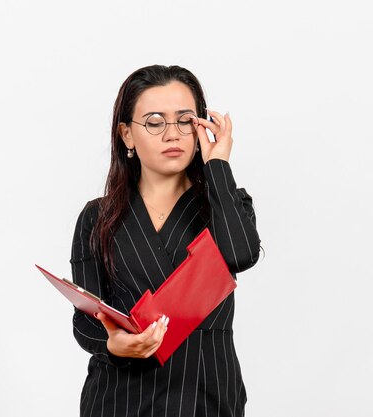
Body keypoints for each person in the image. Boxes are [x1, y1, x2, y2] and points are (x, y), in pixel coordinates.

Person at [70, 64, 261, 417]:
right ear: (127, 135)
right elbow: (85, 322)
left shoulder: (226, 204)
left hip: (207, 397)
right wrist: (115, 344)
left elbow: (240, 255)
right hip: (118, 399)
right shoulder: (97, 218)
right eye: (155, 122)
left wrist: (217, 165)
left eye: (185, 120)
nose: (172, 134)